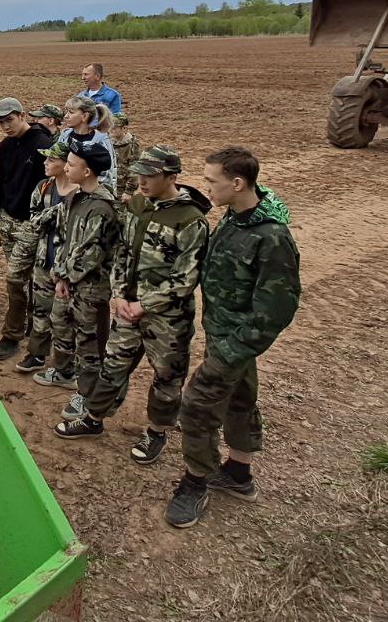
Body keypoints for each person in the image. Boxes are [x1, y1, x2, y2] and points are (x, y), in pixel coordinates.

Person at [165, 147, 301, 529]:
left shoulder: (271, 238)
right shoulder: (235, 217)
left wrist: (231, 349)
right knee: (239, 401)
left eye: (212, 181)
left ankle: (196, 482)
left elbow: (276, 309)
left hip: (236, 341)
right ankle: (239, 475)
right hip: (223, 332)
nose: (206, 187)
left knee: (195, 406)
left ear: (238, 183)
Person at [55, 145, 210, 466]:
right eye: (139, 173)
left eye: (150, 175)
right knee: (112, 366)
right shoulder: (139, 205)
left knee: (166, 377)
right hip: (128, 308)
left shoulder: (190, 220)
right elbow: (122, 253)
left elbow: (185, 279)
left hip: (167, 319)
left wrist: (144, 305)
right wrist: (120, 294)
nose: (141, 180)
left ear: (172, 177)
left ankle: (156, 432)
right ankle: (94, 418)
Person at [43, 138, 121, 419]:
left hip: (90, 290)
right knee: (62, 329)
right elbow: (63, 237)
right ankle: (66, 373)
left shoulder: (102, 207)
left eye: (72, 164)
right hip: (69, 283)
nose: (67, 167)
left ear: (87, 172)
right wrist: (60, 275)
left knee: (89, 346)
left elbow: (91, 253)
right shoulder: (75, 197)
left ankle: (88, 397)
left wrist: (64, 275)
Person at [0, 98, 55, 361]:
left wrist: (39, 220)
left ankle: (12, 335)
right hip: (8, 219)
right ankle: (28, 322)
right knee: (21, 278)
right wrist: (2, 209)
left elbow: (52, 187)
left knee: (17, 278)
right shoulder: (5, 145)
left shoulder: (43, 145)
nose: (5, 126)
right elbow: (5, 180)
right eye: (1, 122)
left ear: (22, 115)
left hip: (31, 223)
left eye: (9, 120)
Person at [15, 139, 79, 376]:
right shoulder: (44, 188)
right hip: (44, 261)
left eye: (51, 159)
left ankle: (65, 366)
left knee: (64, 319)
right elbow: (34, 220)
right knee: (40, 310)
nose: (45, 162)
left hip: (68, 266)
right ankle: (37, 354)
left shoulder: (82, 194)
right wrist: (59, 210)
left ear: (66, 164)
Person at [59, 97, 117, 193]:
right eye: (67, 112)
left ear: (84, 116)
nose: (66, 116)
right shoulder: (65, 135)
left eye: (71, 112)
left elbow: (107, 175)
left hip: (89, 196)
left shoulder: (101, 140)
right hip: (64, 192)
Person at [110, 113, 141, 207]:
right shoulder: (108, 141)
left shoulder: (132, 145)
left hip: (122, 190)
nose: (111, 130)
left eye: (114, 128)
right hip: (109, 186)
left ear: (124, 129)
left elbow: (135, 170)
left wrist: (129, 191)